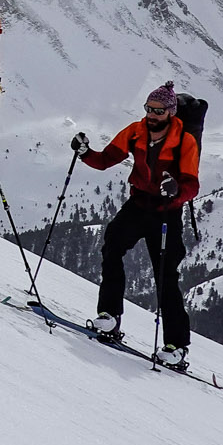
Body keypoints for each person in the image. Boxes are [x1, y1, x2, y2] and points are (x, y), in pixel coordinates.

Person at [70, 82, 201, 369]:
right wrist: (85, 152)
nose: (152, 115)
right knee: (112, 246)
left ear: (171, 112)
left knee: (166, 276)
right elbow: (106, 159)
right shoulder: (135, 131)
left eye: (158, 111)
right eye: (149, 109)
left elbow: (192, 185)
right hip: (139, 204)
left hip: (167, 212)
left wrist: (176, 190)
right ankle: (109, 315)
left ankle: (177, 345)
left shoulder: (185, 141)